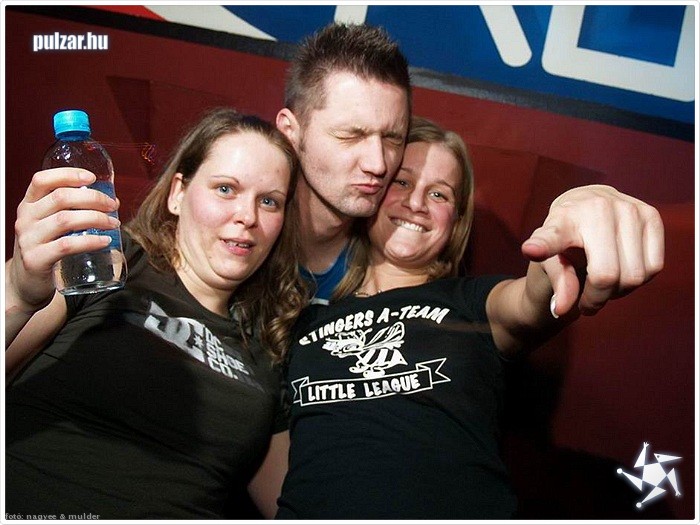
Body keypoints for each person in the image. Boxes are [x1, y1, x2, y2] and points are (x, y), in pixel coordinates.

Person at [274, 116, 665, 519]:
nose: (416, 203)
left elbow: (530, 297)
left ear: (457, 221)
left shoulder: (472, 303)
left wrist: (576, 218)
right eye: (402, 182)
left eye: (439, 194)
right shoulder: (304, 320)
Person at [4, 108, 307, 519]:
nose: (248, 217)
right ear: (178, 193)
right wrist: (18, 292)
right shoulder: (114, 264)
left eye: (269, 201)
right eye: (225, 189)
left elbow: (296, 505)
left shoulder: (266, 353)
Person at [275, 22, 412, 303]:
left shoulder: (394, 265)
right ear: (290, 131)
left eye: (392, 139)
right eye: (351, 135)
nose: (378, 164)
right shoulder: (234, 228)